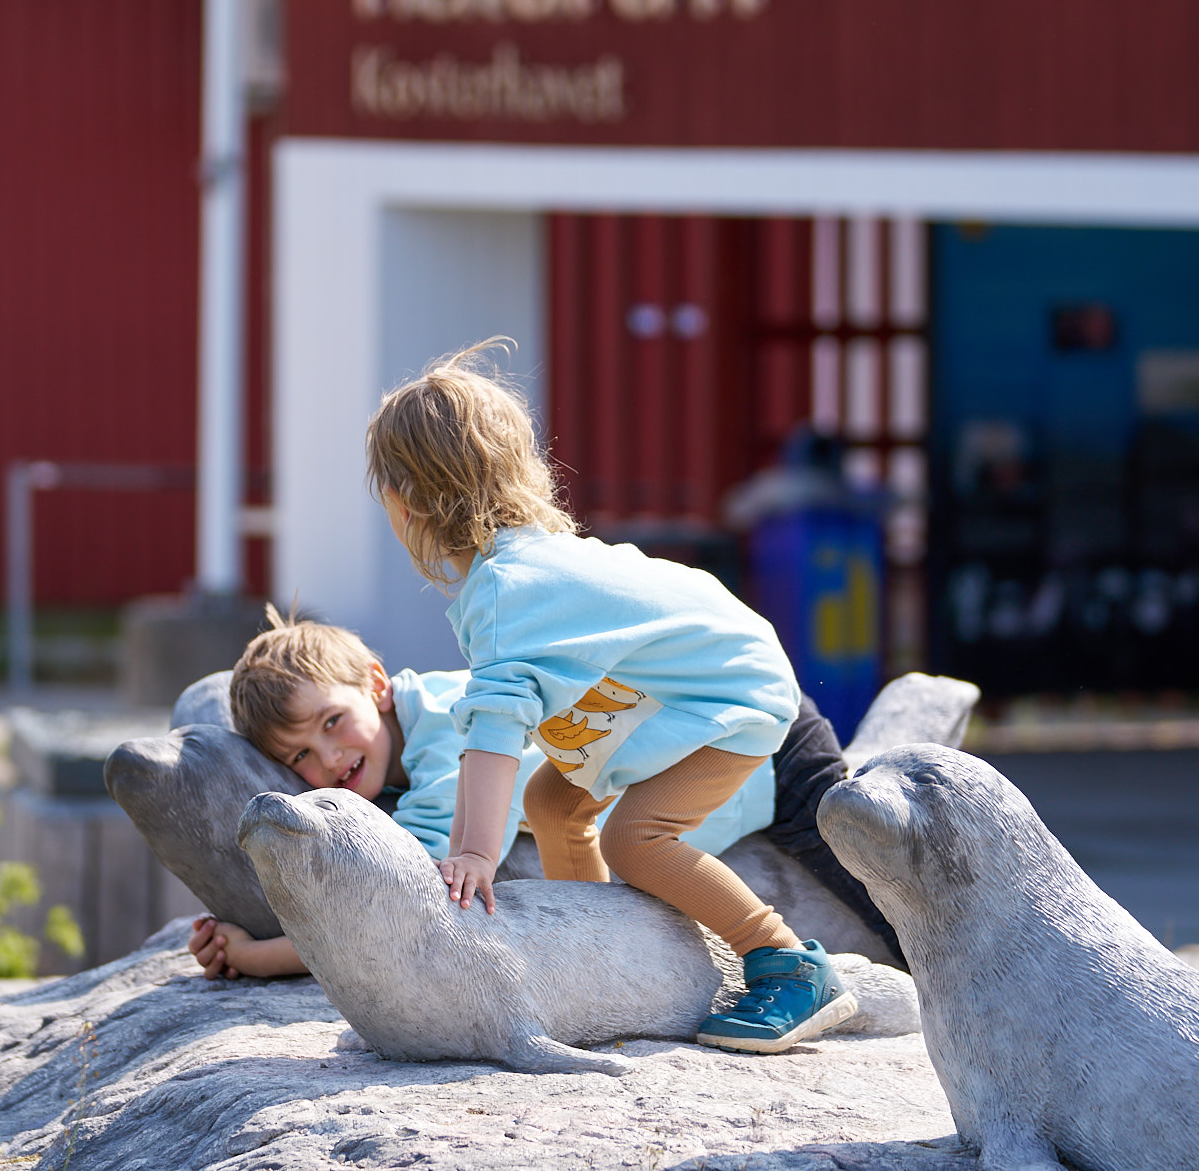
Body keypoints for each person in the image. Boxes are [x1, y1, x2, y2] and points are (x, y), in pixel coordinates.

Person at [363, 337, 854, 1054]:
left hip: (726, 694)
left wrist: (470, 851)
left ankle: (787, 961)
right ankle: (609, 945)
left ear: (402, 504)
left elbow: (494, 728)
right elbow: (503, 715)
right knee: (553, 802)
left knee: (636, 837)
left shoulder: (506, 587)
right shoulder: (520, 568)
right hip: (683, 684)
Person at [186, 607, 778, 980]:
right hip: (647, 772)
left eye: (333, 721)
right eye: (300, 758)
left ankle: (775, 952)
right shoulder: (424, 716)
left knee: (629, 849)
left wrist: (256, 956)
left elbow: (391, 902)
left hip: (708, 794)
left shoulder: (446, 739)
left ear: (375, 684)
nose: (330, 757)